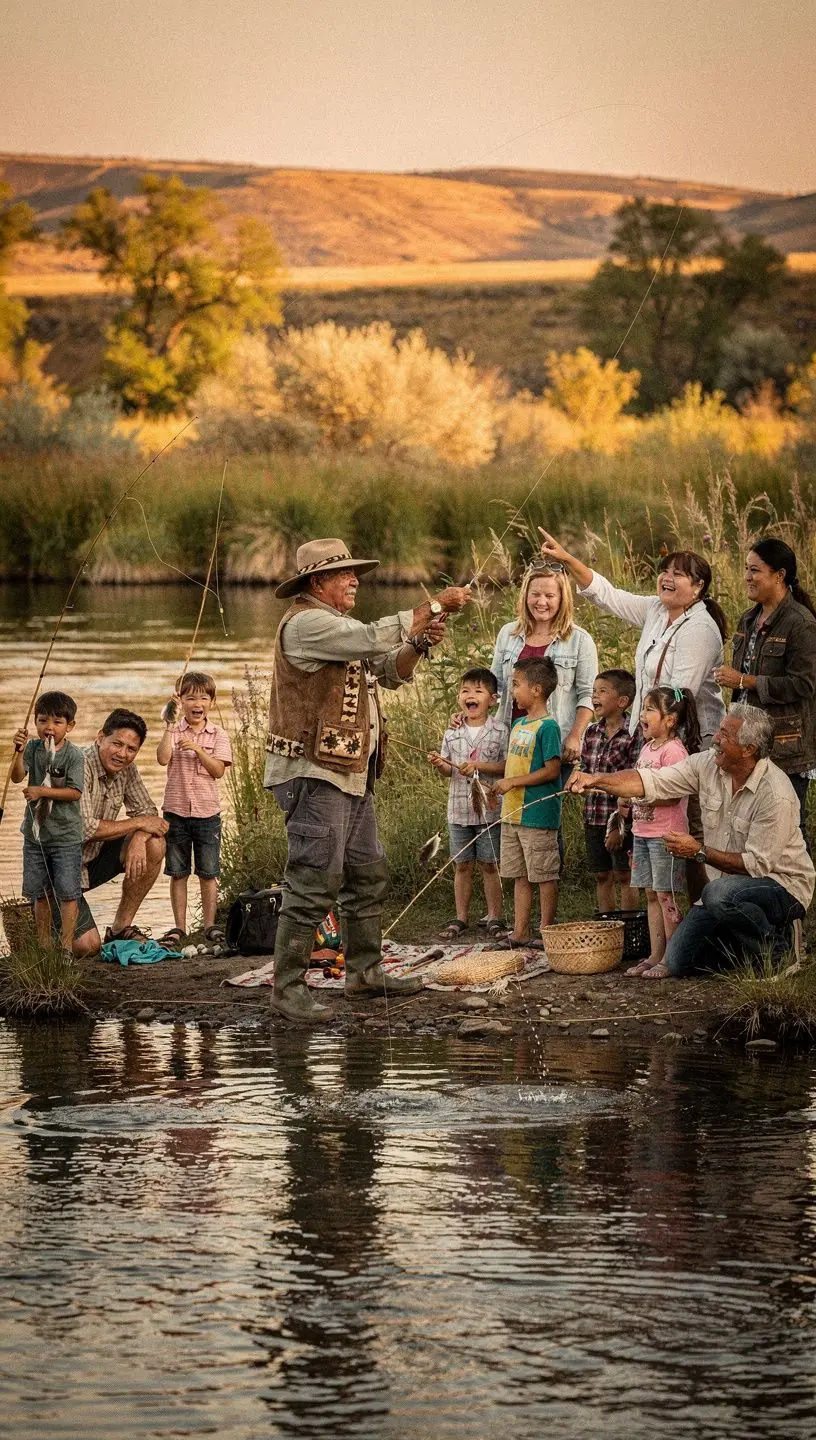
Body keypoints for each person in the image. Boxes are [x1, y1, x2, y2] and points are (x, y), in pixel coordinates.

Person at [265, 536, 472, 1022]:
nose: (355, 580)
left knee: (367, 871)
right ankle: (287, 989)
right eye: (345, 574)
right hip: (314, 773)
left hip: (350, 770)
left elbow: (389, 669)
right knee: (313, 879)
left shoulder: (339, 626)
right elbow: (371, 640)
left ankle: (364, 973)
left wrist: (417, 644)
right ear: (318, 582)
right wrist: (433, 606)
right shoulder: (306, 623)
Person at [538, 529, 727, 900]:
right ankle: (665, 914)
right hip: (655, 738)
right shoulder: (657, 609)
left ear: (699, 587)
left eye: (678, 573)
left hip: (688, 743)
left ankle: (704, 912)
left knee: (691, 830)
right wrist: (566, 559)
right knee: (654, 827)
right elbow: (608, 595)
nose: (667, 578)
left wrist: (649, 739)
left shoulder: (702, 630)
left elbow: (679, 698)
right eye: (664, 571)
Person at [568, 704, 814, 978]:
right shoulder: (707, 764)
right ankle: (748, 950)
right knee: (678, 962)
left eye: (724, 734)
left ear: (749, 749)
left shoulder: (775, 793)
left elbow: (756, 866)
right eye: (719, 730)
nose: (716, 740)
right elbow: (650, 781)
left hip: (782, 887)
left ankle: (779, 949)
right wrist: (596, 780)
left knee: (718, 895)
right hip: (726, 887)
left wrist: (698, 852)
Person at [713, 536, 816, 838]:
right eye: (746, 569)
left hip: (785, 745)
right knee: (749, 824)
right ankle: (758, 886)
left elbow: (804, 684)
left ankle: (795, 885)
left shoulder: (801, 623)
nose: (747, 577)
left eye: (755, 570)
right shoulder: (748, 619)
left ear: (779, 575)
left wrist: (743, 681)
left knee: (787, 828)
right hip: (748, 743)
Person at [73, 709, 169, 958]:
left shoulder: (127, 769)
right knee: (87, 948)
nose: (123, 754)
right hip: (63, 869)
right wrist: (138, 824)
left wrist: (138, 837)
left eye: (131, 749)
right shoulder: (79, 764)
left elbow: (150, 814)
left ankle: (118, 929)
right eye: (117, 744)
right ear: (100, 737)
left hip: (91, 860)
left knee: (154, 843)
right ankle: (46, 920)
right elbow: (83, 828)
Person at [490, 560, 597, 769]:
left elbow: (588, 695)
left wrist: (575, 736)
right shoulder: (508, 633)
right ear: (525, 595)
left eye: (549, 596)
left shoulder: (579, 640)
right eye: (535, 594)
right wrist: (469, 716)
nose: (541, 602)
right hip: (513, 742)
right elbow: (496, 686)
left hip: (554, 743)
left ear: (562, 599)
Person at [428, 667, 508, 939]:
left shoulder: (500, 730)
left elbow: (507, 765)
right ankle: (460, 917)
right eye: (465, 691)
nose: (470, 696)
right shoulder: (452, 732)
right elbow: (448, 770)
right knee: (462, 864)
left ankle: (494, 917)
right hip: (458, 810)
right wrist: (441, 765)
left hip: (489, 809)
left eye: (478, 691)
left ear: (493, 699)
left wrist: (478, 765)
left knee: (490, 864)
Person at [489, 655, 563, 949]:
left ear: (536, 690)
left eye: (517, 685)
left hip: (537, 815)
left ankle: (547, 931)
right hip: (512, 813)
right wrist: (492, 775)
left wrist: (513, 782)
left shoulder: (548, 727)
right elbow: (512, 764)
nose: (513, 691)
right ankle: (521, 931)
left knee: (543, 875)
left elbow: (552, 769)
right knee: (519, 875)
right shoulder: (519, 724)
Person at [627, 686, 701, 978]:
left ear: (670, 720)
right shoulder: (648, 748)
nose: (642, 715)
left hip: (665, 837)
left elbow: (672, 795)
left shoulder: (674, 752)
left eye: (648, 709)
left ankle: (672, 956)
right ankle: (655, 954)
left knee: (666, 895)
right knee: (649, 894)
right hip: (641, 833)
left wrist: (636, 796)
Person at [156, 671, 232, 946]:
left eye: (202, 697)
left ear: (211, 702)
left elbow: (218, 771)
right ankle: (179, 927)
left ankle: (210, 925)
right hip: (175, 812)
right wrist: (168, 724)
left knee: (208, 872)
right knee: (178, 872)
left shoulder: (219, 734)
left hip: (207, 814)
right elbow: (162, 759)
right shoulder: (174, 730)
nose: (196, 703)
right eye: (189, 697)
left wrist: (198, 750)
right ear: (181, 701)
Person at [11, 691, 84, 952]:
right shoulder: (32, 748)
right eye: (42, 721)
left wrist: (41, 791)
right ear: (35, 723)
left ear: (70, 726)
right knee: (38, 892)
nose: (49, 728)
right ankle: (44, 946)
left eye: (57, 722)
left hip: (66, 838)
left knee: (67, 892)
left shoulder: (74, 756)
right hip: (35, 837)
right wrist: (18, 752)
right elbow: (18, 777)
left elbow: (75, 792)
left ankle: (65, 947)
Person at [579, 669, 640, 916]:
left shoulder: (633, 734)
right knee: (602, 874)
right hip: (593, 815)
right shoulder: (592, 731)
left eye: (603, 691)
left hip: (620, 818)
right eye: (594, 691)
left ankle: (628, 926)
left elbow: (633, 780)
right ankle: (607, 924)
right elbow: (585, 767)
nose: (595, 696)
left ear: (622, 701)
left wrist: (618, 824)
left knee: (624, 874)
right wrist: (579, 783)